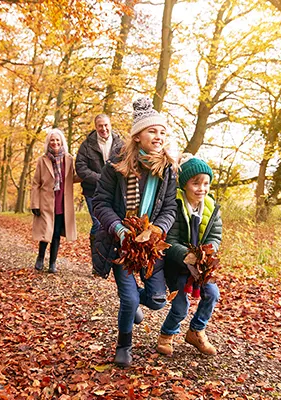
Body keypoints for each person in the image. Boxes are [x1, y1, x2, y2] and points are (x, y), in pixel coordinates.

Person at [92, 97, 178, 368]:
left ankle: (134, 307)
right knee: (128, 299)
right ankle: (124, 344)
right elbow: (100, 202)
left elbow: (171, 208)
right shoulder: (116, 166)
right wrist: (119, 229)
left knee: (156, 300)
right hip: (122, 243)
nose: (158, 136)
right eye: (153, 130)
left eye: (162, 132)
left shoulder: (169, 169)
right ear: (137, 136)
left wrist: (158, 229)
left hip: (151, 244)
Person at [156, 154, 222, 356]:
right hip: (177, 263)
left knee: (212, 294)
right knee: (180, 304)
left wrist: (208, 253)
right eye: (196, 183)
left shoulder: (211, 208)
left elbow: (215, 235)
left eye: (206, 183)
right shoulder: (175, 205)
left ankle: (196, 330)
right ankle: (167, 334)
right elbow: (170, 239)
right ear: (184, 184)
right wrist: (186, 255)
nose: (201, 188)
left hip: (200, 264)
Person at [30, 128, 78, 273]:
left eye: (57, 140)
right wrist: (34, 203)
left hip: (62, 202)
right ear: (48, 143)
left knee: (56, 233)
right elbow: (35, 183)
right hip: (46, 201)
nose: (55, 142)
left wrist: (89, 175)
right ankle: (40, 257)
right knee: (46, 232)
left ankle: (52, 263)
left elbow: (74, 177)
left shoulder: (69, 159)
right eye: (52, 140)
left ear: (62, 141)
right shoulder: (42, 160)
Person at [75, 114, 123, 251]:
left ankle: (110, 257)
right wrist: (101, 179)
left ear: (110, 125)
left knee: (113, 223)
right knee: (97, 223)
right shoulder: (86, 145)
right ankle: (96, 258)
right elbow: (81, 167)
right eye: (100, 126)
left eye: (106, 125)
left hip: (115, 191)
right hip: (93, 191)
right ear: (96, 127)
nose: (104, 128)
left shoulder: (121, 144)